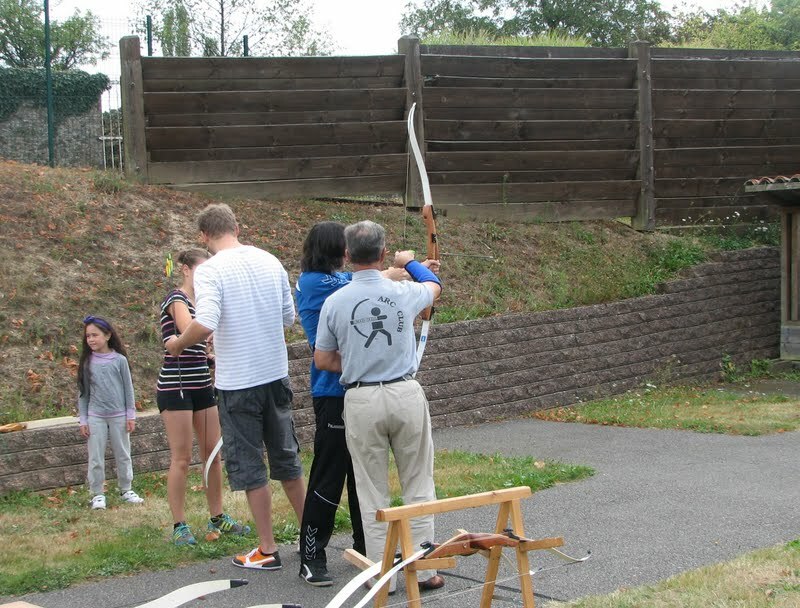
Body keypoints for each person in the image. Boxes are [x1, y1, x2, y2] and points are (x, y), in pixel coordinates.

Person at [165, 203, 305, 571]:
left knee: (250, 466)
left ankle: (268, 549)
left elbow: (206, 322)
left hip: (238, 382)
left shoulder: (210, 270)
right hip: (275, 374)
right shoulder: (270, 260)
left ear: (203, 236)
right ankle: (312, 539)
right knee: (287, 459)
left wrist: (178, 343)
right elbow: (288, 317)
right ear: (237, 228)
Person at [313, 220, 445, 592]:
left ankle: (380, 575)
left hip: (361, 398)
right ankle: (424, 567)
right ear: (384, 253)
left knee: (371, 488)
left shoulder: (335, 301)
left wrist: (360, 360)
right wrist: (411, 262)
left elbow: (323, 358)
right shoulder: (403, 291)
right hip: (403, 392)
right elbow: (434, 286)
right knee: (418, 480)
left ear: (346, 255)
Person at [157, 248, 250, 547]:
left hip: (202, 385)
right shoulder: (177, 299)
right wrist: (211, 332)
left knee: (212, 455)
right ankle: (179, 525)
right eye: (201, 269)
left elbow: (199, 342)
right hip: (176, 388)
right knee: (181, 458)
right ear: (186, 270)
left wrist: (211, 355)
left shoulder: (205, 304)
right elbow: (189, 330)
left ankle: (217, 516)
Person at [295, 222, 366, 587]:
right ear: (334, 249)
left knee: (363, 475)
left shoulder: (342, 280)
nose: (349, 251)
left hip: (360, 389)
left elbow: (371, 280)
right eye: (345, 245)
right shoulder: (312, 283)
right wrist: (398, 270)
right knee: (329, 475)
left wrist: (410, 273)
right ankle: (311, 556)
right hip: (331, 392)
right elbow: (367, 280)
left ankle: (367, 547)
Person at [78, 315, 144, 510]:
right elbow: (83, 393)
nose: (91, 339)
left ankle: (126, 489)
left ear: (107, 336)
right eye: (88, 336)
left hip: (119, 416)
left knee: (123, 454)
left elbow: (128, 389)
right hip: (95, 417)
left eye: (95, 335)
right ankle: (97, 494)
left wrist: (130, 415)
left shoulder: (120, 360)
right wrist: (84, 420)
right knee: (95, 457)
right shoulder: (87, 362)